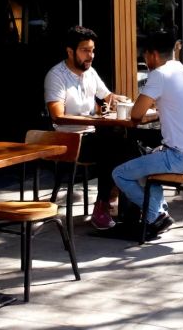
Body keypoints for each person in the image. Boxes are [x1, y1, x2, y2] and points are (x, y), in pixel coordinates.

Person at [112, 31, 183, 237]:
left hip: (179, 157)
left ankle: (154, 215)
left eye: (144, 56)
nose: (144, 60)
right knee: (145, 160)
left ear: (153, 54)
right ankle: (158, 214)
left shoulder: (159, 74)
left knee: (119, 174)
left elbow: (136, 114)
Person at [43, 25, 124, 229]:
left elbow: (108, 96)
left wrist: (122, 101)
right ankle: (103, 206)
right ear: (70, 51)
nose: (91, 56)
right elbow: (57, 116)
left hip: (90, 136)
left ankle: (115, 201)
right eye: (85, 50)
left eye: (92, 50)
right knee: (112, 148)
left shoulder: (90, 73)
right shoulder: (57, 75)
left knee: (127, 145)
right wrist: (92, 119)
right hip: (68, 140)